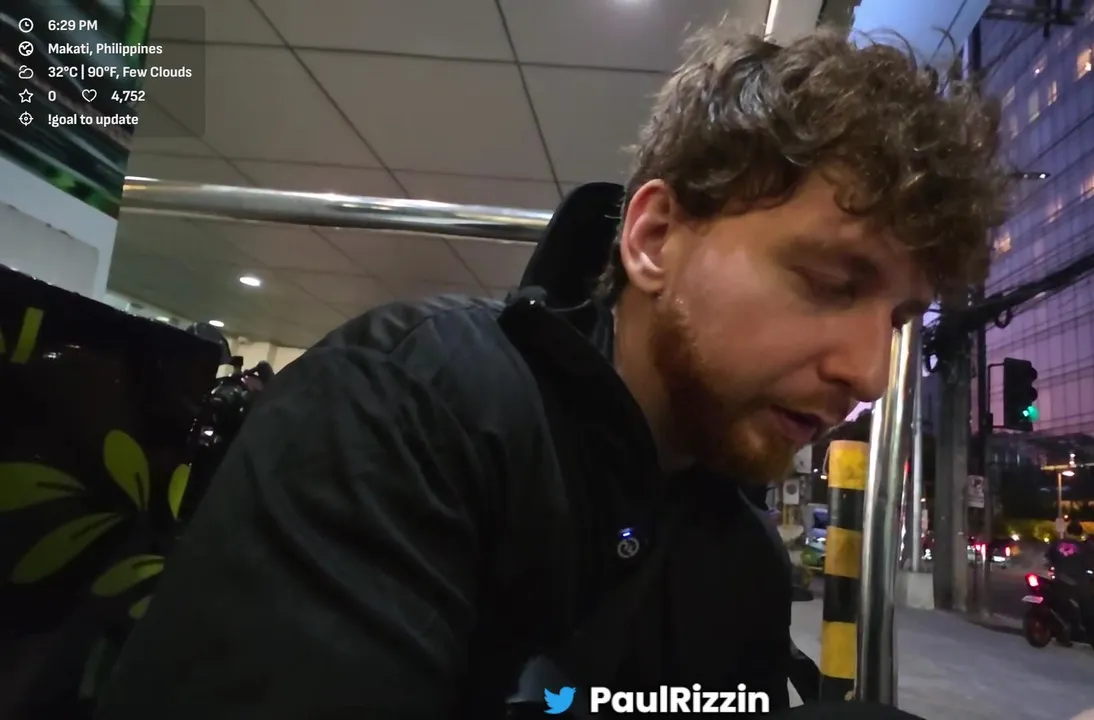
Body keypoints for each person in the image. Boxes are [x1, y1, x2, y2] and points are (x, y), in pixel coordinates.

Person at [95, 26, 1006, 720]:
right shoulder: (407, 408)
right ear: (655, 238)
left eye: (897, 319)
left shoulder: (741, 564)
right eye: (832, 283)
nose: (870, 373)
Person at [1046, 521, 1094, 654]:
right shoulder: (1084, 548)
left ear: (1067, 531)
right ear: (1080, 533)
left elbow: (1047, 561)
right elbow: (1093, 565)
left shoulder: (1056, 544)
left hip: (1058, 582)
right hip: (1077, 584)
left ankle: (1066, 631)